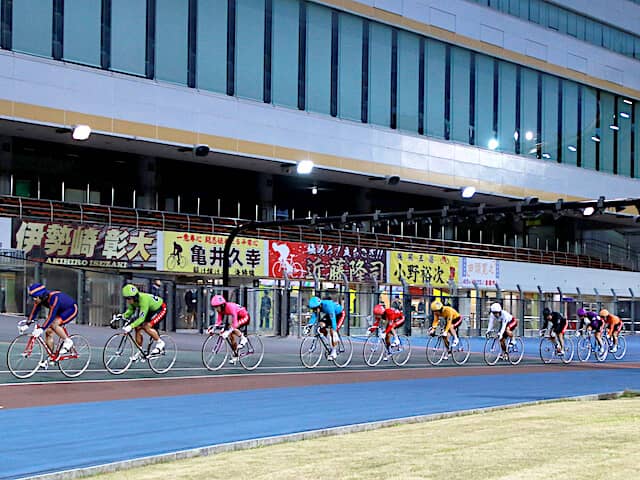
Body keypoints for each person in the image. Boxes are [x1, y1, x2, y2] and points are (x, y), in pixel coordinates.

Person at [25, 283, 77, 368]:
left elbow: (51, 316)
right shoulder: (40, 299)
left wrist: (42, 329)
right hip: (59, 310)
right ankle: (51, 357)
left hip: (71, 309)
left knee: (54, 324)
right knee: (48, 333)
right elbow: (34, 312)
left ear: (41, 296)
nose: (34, 299)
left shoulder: (54, 298)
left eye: (35, 297)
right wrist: (27, 324)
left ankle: (68, 341)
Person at [121, 284, 167, 360]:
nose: (128, 301)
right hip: (150, 310)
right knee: (137, 327)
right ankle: (140, 351)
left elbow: (141, 319)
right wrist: (122, 316)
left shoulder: (143, 300)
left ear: (135, 297)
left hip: (160, 309)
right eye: (126, 298)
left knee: (146, 326)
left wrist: (130, 326)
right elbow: (130, 311)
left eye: (129, 298)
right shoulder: (133, 301)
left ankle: (160, 343)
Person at [209, 294, 250, 364]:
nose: (216, 309)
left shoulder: (230, 307)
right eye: (215, 307)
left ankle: (243, 338)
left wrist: (227, 331)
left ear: (222, 305)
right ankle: (236, 354)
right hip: (237, 317)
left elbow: (235, 323)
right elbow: (218, 322)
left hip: (244, 316)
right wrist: (213, 328)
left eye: (217, 307)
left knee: (231, 328)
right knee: (231, 336)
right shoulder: (220, 310)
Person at [305, 296, 345, 360]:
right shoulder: (317, 307)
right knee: (321, 325)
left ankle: (334, 351)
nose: (314, 310)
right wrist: (309, 327)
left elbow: (333, 319)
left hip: (339, 314)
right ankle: (328, 344)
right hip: (329, 314)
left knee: (332, 331)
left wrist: (334, 329)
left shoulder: (328, 306)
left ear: (319, 305)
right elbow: (313, 317)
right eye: (313, 309)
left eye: (315, 308)